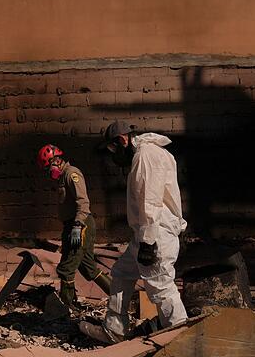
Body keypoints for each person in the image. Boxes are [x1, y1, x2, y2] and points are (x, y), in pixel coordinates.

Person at [80, 121, 188, 343]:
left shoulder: (146, 156)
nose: (113, 155)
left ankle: (180, 338)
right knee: (122, 272)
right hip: (150, 233)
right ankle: (115, 329)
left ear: (122, 140)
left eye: (112, 149)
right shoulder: (154, 153)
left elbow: (151, 200)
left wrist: (148, 243)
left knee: (161, 287)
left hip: (154, 234)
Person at [36, 144, 112, 308]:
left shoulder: (72, 174)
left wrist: (77, 226)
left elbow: (83, 203)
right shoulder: (63, 177)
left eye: (48, 167)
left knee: (66, 268)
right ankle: (119, 296)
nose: (49, 172)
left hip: (80, 225)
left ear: (56, 161)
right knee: (88, 268)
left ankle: (65, 307)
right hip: (72, 225)